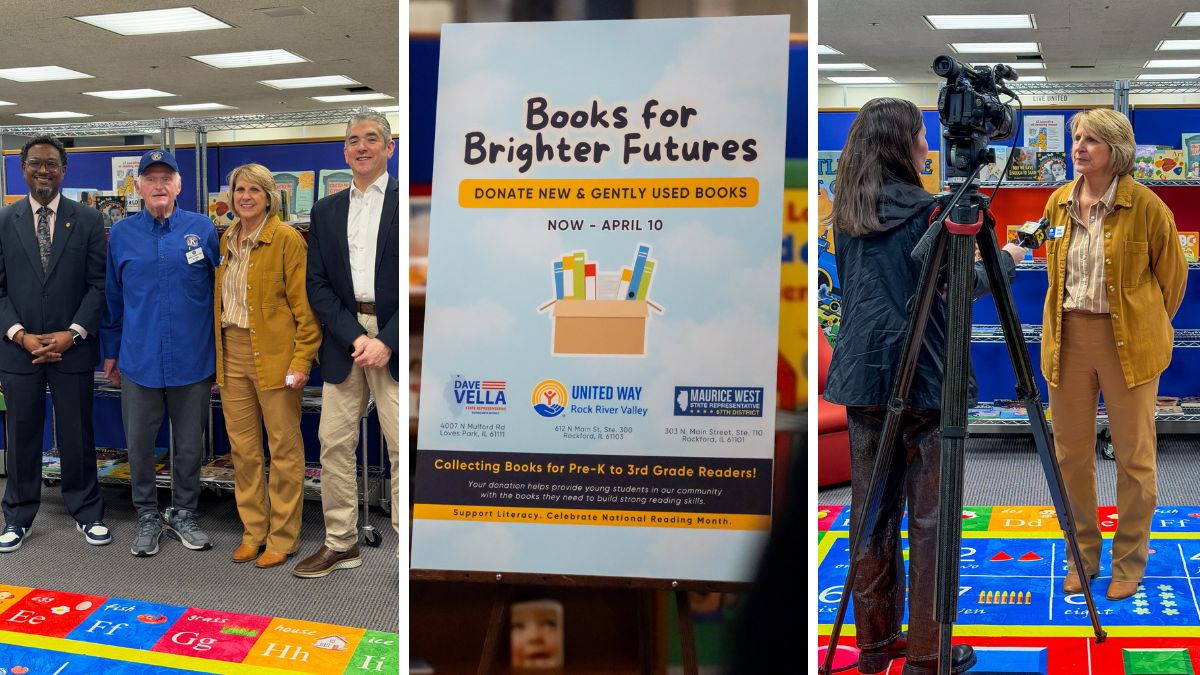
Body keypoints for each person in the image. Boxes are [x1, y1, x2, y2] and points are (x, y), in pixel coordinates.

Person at [821, 97, 1025, 675]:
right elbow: (963, 287)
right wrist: (1008, 255)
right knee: (932, 520)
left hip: (863, 375)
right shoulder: (931, 212)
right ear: (901, 144)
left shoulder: (848, 210)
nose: (929, 147)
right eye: (920, 136)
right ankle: (929, 655)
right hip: (929, 377)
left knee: (871, 515)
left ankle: (875, 645)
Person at [1039, 109, 1187, 601]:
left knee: (1134, 458)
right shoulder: (1057, 203)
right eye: (1077, 138)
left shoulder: (1147, 207)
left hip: (1130, 342)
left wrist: (1144, 322)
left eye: (1093, 140)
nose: (1079, 147)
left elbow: (1173, 282)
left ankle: (1129, 560)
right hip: (1068, 337)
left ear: (1117, 150)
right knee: (1070, 458)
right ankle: (1083, 555)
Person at [293, 111, 399, 578]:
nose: (361, 147)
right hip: (344, 339)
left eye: (371, 139)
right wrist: (355, 335)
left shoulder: (413, 203)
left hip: (398, 339)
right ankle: (341, 543)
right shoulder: (326, 210)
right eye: (353, 140)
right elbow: (317, 285)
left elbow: (431, 281)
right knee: (334, 444)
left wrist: (387, 341)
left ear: (389, 148)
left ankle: (409, 552)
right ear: (344, 152)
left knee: (402, 448)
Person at [101, 149, 219, 557]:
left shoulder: (202, 229)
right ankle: (147, 514)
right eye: (150, 179)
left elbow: (221, 295)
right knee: (140, 444)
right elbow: (113, 298)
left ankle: (184, 512)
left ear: (179, 185)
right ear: (138, 188)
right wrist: (110, 351)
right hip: (139, 359)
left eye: (166, 178)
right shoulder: (121, 234)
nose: (159, 186)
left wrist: (222, 356)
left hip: (193, 359)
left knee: (189, 445)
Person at [0, 136, 108, 552]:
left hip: (73, 347)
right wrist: (21, 335)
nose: (43, 171)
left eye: (51, 165)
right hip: (17, 349)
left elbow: (98, 287)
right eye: (35, 164)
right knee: (22, 433)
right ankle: (18, 516)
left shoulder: (87, 220)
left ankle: (87, 511)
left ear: (65, 170)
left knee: (78, 431)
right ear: (22, 168)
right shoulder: (4, 220)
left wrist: (73, 331)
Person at [214, 164, 319, 568]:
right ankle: (253, 531)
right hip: (232, 353)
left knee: (285, 449)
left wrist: (301, 360)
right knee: (244, 451)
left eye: (254, 190)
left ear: (269, 196)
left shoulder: (286, 239)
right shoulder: (227, 238)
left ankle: (283, 537)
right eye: (239, 189)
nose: (245, 196)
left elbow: (304, 311)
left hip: (275, 357)